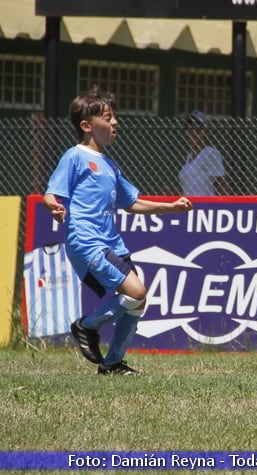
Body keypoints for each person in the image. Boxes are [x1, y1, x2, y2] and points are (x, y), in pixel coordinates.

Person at [43, 86, 193, 375]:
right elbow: (51, 193)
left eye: (115, 117)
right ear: (87, 126)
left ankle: (112, 363)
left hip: (112, 244)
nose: (115, 123)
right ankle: (86, 327)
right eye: (108, 118)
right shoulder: (74, 156)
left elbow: (132, 202)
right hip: (87, 241)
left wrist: (171, 207)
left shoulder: (110, 165)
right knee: (136, 290)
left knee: (138, 301)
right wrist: (53, 206)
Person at [178, 110, 230, 195]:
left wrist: (229, 205)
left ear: (205, 131)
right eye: (190, 127)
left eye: (198, 128)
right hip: (188, 205)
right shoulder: (189, 156)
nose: (194, 130)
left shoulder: (210, 153)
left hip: (203, 205)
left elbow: (221, 183)